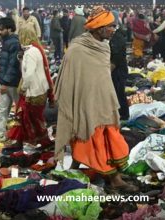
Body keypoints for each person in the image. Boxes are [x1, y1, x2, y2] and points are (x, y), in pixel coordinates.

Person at [55, 6, 138, 193]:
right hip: (86, 102)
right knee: (92, 135)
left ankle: (77, 170)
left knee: (108, 135)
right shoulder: (77, 48)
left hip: (104, 100)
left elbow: (101, 76)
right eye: (111, 26)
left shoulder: (103, 45)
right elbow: (69, 77)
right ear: (100, 28)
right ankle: (114, 179)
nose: (113, 29)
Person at [9, 28, 55, 148]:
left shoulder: (30, 53)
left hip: (33, 92)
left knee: (31, 119)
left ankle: (40, 141)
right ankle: (27, 141)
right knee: (31, 119)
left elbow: (28, 75)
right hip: (40, 90)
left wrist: (23, 88)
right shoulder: (35, 50)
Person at [0, 17, 21, 143]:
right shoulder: (7, 41)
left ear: (10, 29)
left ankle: (22, 135)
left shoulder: (13, 43)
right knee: (2, 109)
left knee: (19, 111)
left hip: (12, 84)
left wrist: (4, 82)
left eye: (2, 29)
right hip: (6, 82)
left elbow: (13, 64)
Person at [110, 11, 130, 121]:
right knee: (117, 93)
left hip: (118, 71)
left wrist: (109, 69)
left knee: (119, 93)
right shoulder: (116, 35)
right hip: (119, 69)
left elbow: (116, 57)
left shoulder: (117, 36)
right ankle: (121, 114)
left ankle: (123, 115)